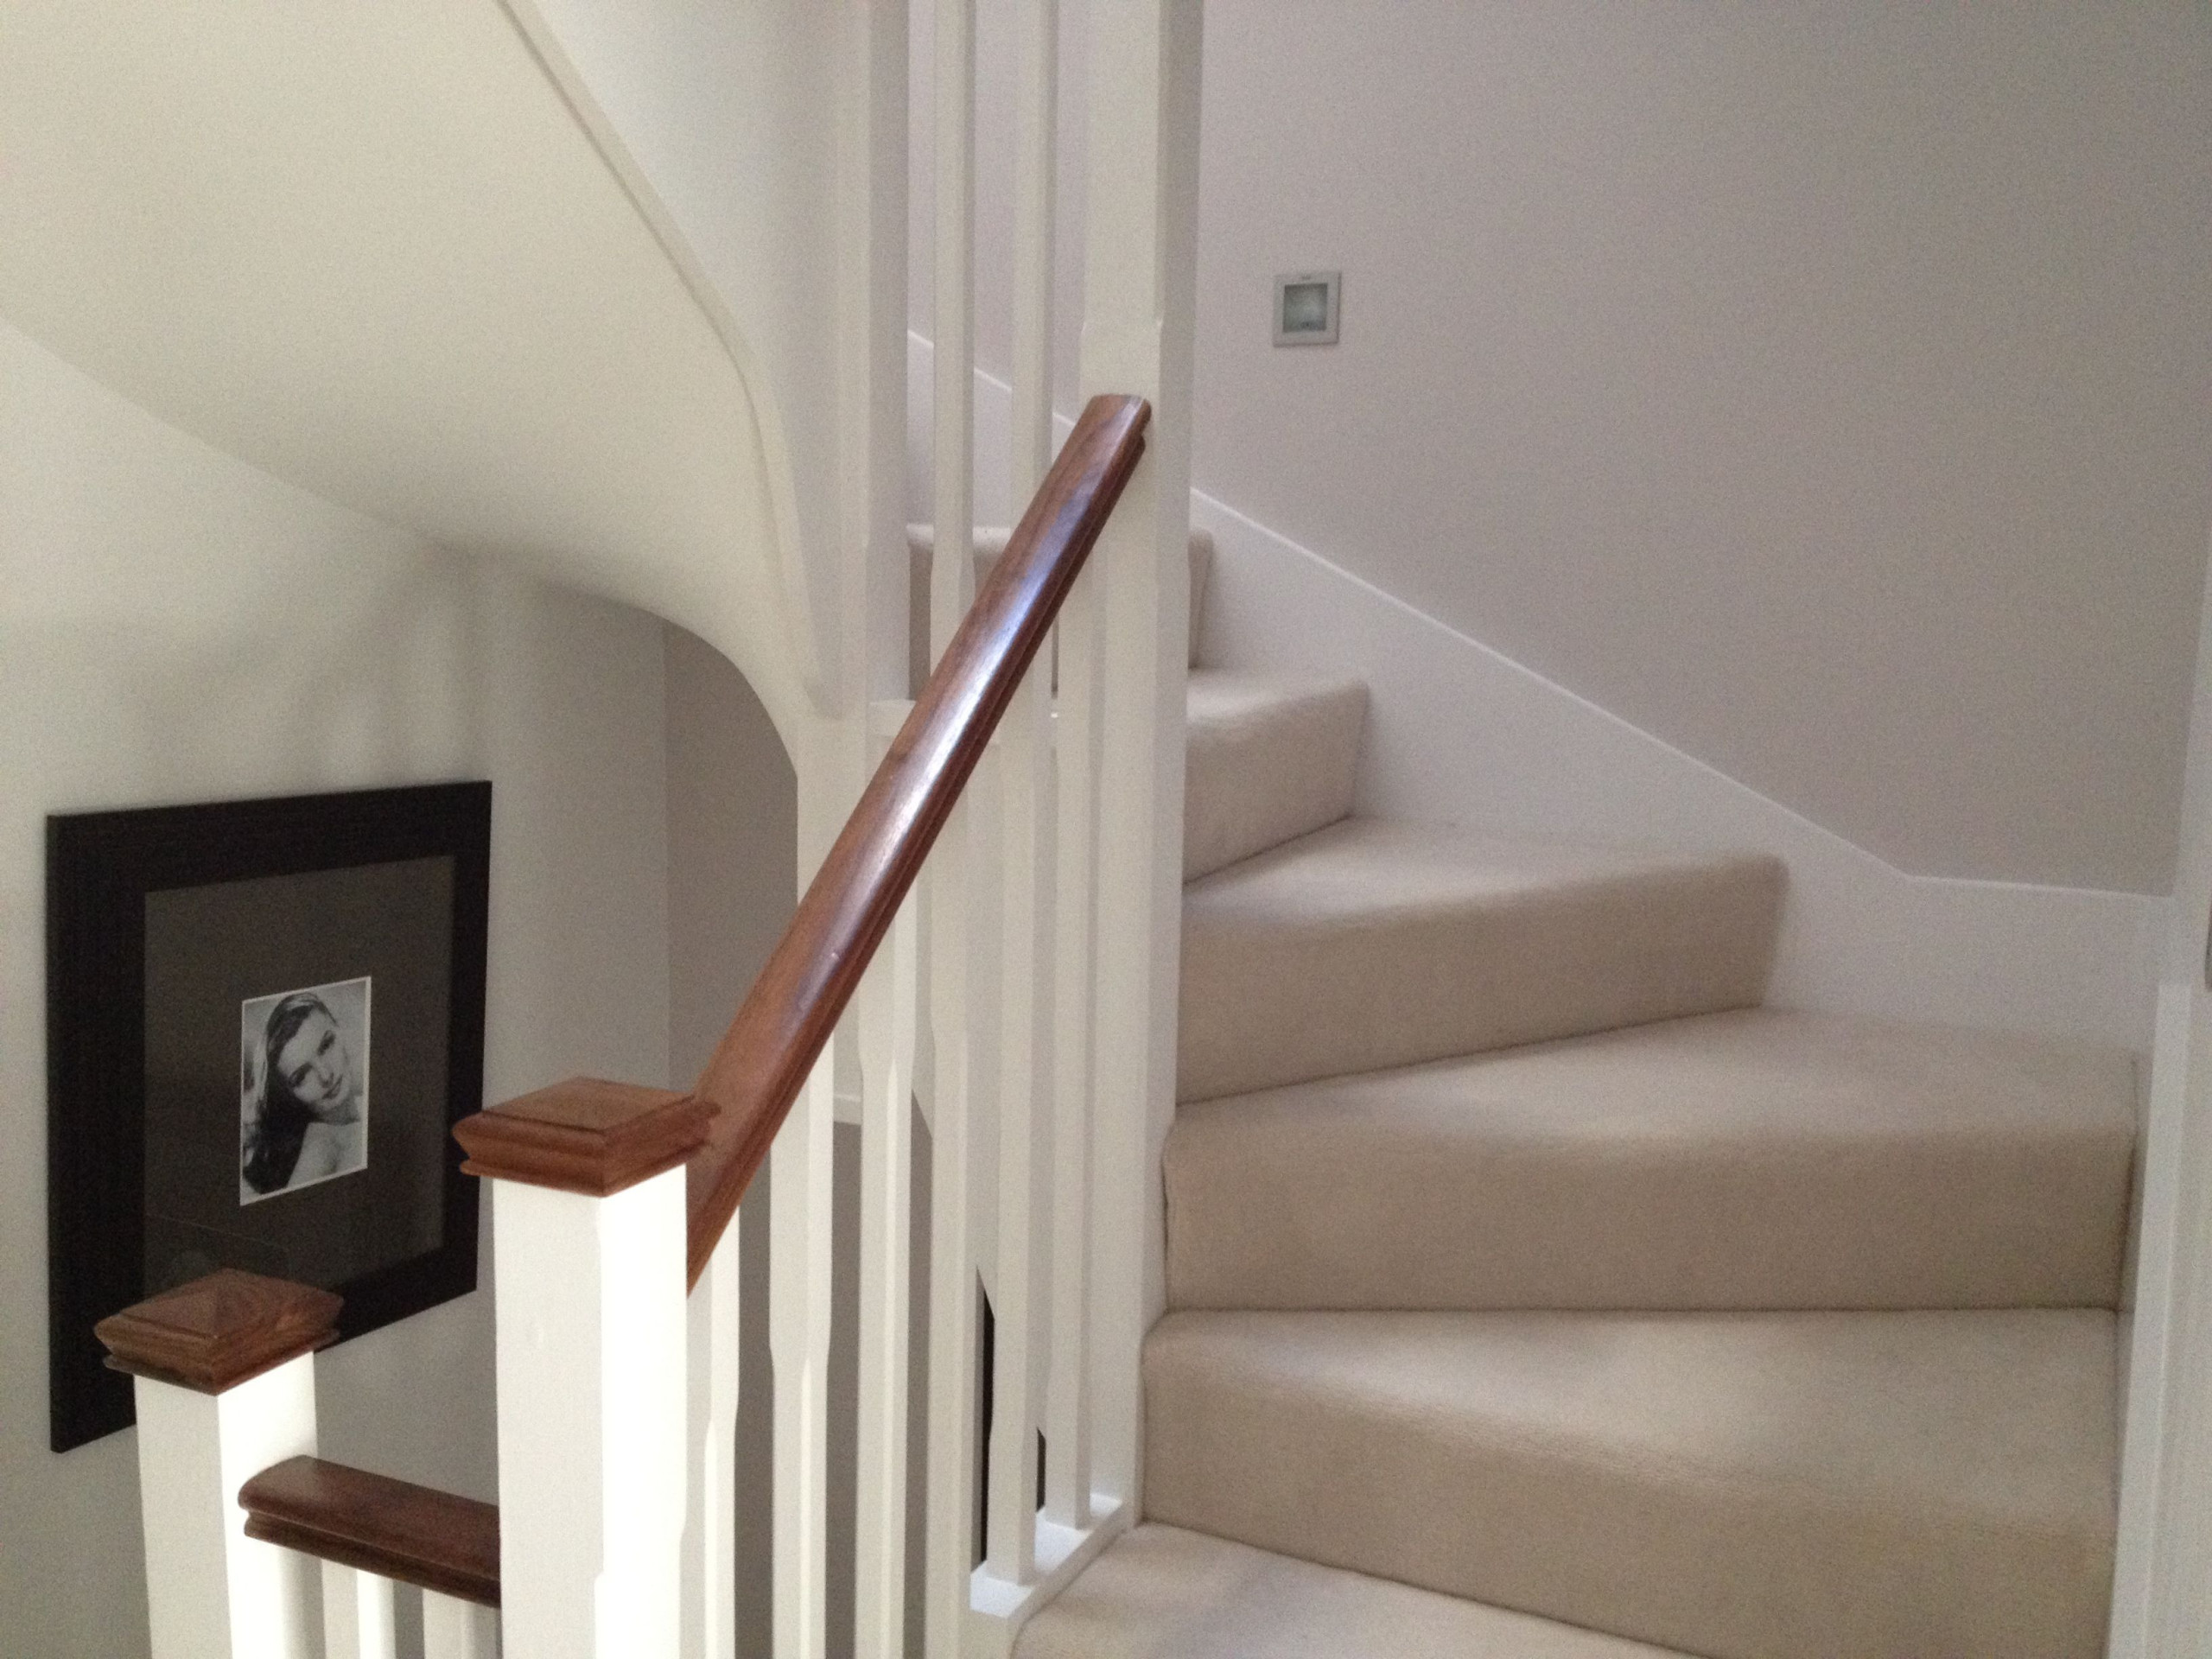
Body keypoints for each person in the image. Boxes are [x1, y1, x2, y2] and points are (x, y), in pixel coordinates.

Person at [242, 990, 365, 1196]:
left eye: (326, 1045)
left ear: (339, 1028)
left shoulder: (363, 1107)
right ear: (289, 1095)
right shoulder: (322, 1144)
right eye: (301, 1076)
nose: (326, 1075)